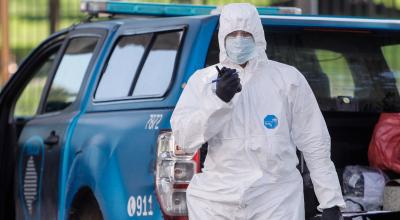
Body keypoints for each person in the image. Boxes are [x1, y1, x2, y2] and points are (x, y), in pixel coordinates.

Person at [170, 3, 345, 220]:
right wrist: (218, 102)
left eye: (246, 33)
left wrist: (330, 201)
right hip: (216, 202)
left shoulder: (288, 79)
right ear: (223, 36)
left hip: (276, 200)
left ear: (258, 35)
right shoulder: (204, 81)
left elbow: (315, 142)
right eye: (233, 33)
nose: (240, 39)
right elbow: (183, 140)